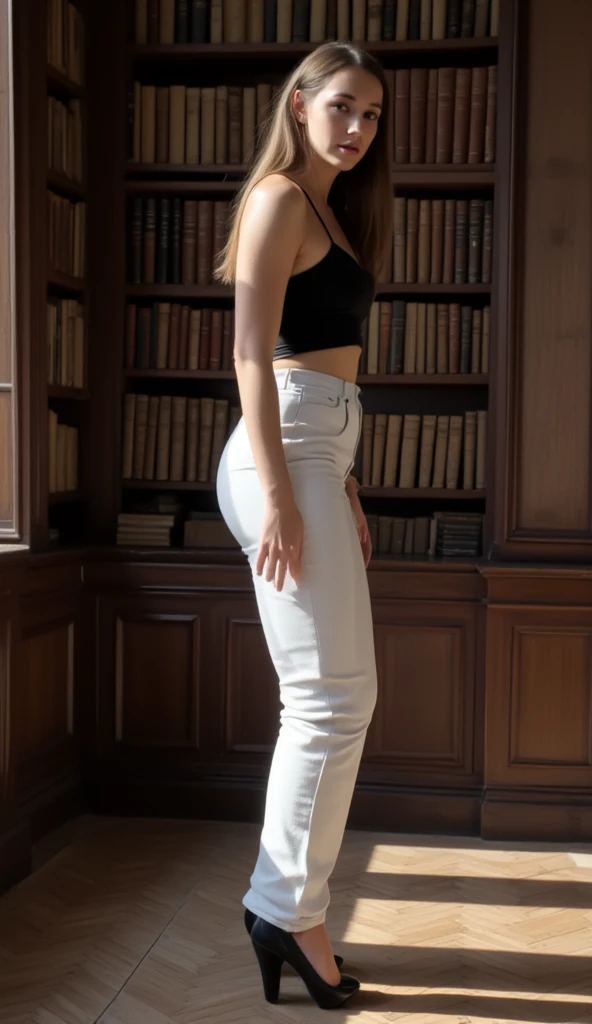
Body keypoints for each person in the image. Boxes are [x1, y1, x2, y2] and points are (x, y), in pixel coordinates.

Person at [215, 40, 392, 1010]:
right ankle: (288, 910)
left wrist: (346, 484)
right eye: (342, 107)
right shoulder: (281, 196)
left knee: (339, 697)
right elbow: (250, 352)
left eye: (371, 113)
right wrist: (284, 493)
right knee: (329, 698)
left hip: (319, 449)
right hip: (279, 447)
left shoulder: (331, 207)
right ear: (298, 103)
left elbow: (324, 370)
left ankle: (286, 906)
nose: (358, 127)